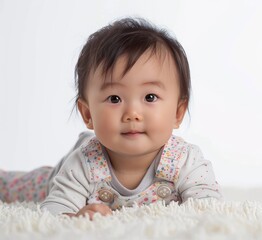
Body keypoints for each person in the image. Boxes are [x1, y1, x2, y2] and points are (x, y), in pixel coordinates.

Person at [0, 17, 222, 218]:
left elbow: (209, 205)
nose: (132, 114)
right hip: (66, 169)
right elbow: (54, 209)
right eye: (115, 98)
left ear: (177, 113)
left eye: (150, 97)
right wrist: (74, 218)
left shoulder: (185, 161)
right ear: (87, 114)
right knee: (22, 188)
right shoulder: (82, 164)